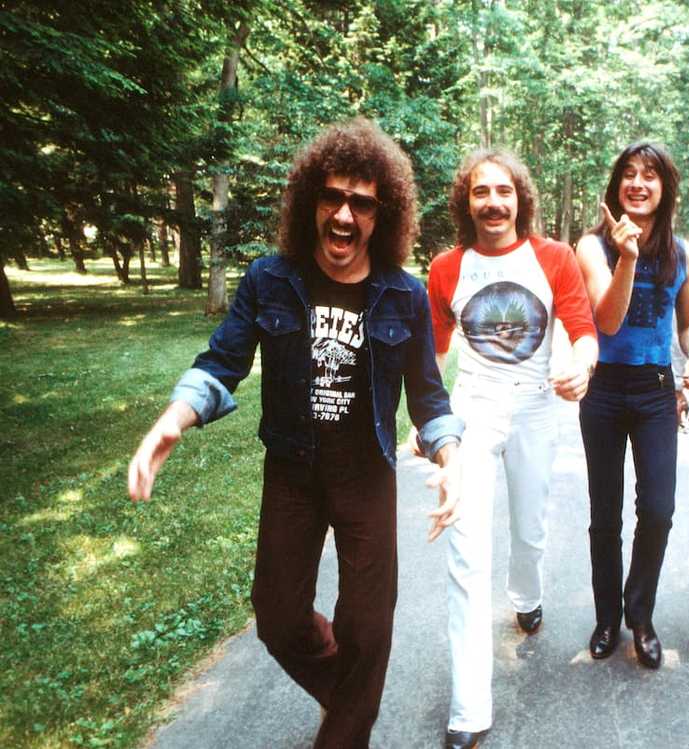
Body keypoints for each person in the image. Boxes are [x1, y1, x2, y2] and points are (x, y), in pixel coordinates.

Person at [126, 118, 464, 749]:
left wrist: (451, 456)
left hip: (366, 474)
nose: (343, 216)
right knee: (279, 620)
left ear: (380, 215)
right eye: (331, 197)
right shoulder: (269, 280)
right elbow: (222, 361)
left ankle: (345, 731)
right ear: (310, 201)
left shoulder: (404, 297)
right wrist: (172, 421)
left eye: (360, 203)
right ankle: (351, 698)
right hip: (293, 471)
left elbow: (428, 395)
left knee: (369, 625)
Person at [427, 148, 598, 749]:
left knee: (529, 530)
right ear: (466, 202)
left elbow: (582, 330)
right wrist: (427, 423)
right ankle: (468, 709)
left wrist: (581, 366)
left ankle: (527, 598)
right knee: (467, 554)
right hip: (473, 410)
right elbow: (434, 353)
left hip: (536, 406)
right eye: (481, 192)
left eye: (504, 191)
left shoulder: (552, 258)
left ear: (520, 199)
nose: (493, 202)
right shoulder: (447, 267)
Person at [574, 141, 689, 670]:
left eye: (649, 175)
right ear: (616, 186)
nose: (638, 183)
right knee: (604, 513)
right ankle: (608, 617)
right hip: (603, 389)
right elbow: (606, 320)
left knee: (658, 510)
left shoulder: (682, 253)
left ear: (665, 188)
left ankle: (640, 615)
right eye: (628, 174)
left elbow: (688, 321)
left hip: (655, 391)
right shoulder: (591, 246)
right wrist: (626, 256)